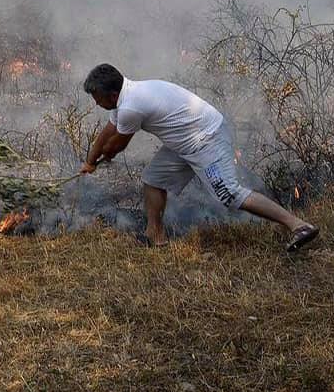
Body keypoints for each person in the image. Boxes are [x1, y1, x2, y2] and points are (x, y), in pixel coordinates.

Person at [80, 63, 319, 251]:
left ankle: (298, 226)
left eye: (97, 98)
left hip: (206, 140)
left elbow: (115, 147)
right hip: (183, 143)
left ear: (111, 95)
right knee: (153, 180)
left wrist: (102, 158)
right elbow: (106, 134)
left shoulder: (132, 106)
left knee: (230, 193)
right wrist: (90, 161)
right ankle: (155, 237)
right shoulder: (125, 97)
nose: (96, 102)